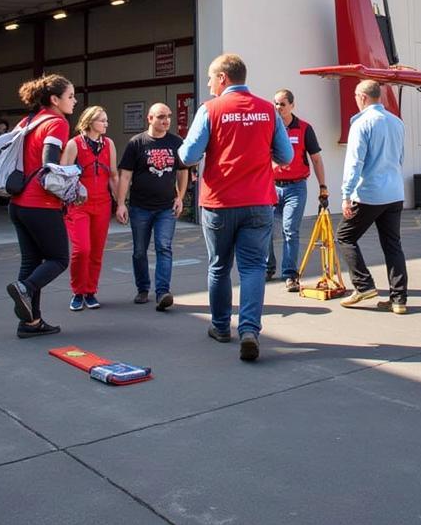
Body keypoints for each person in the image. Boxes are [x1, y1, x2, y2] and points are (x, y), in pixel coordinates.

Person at [179, 53, 293, 361]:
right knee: (254, 267)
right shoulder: (268, 110)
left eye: (209, 78)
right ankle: (249, 330)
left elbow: (188, 156)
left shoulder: (210, 110)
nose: (207, 83)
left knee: (219, 266)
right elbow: (286, 157)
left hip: (220, 202)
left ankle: (219, 326)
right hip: (258, 201)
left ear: (222, 79)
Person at [4, 74, 76, 339]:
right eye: (70, 96)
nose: (74, 101)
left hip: (18, 202)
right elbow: (50, 165)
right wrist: (71, 187)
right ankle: (26, 288)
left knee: (31, 261)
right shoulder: (57, 122)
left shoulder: (28, 121)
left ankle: (30, 322)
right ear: (55, 99)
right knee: (58, 259)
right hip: (41, 203)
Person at [336, 80, 409, 315]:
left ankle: (363, 284)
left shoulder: (361, 123)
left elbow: (354, 162)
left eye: (356, 96)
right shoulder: (397, 122)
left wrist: (346, 195)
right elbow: (400, 158)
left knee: (345, 236)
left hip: (369, 193)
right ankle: (398, 299)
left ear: (362, 97)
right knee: (392, 245)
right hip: (394, 192)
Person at [116, 102, 189, 311]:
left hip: (166, 207)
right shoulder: (136, 144)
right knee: (139, 251)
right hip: (140, 208)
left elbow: (183, 171)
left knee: (164, 247)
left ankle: (162, 292)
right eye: (160, 117)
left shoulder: (176, 142)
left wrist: (180, 197)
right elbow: (126, 175)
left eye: (168, 116)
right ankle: (142, 288)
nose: (166, 121)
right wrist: (121, 203)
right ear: (149, 119)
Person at [266, 88, 328, 290]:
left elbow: (316, 160)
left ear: (292, 105)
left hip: (296, 187)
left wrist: (323, 187)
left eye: (282, 104)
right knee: (265, 229)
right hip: (272, 187)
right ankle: (268, 267)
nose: (278, 107)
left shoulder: (304, 128)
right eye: (275, 103)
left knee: (290, 230)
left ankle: (290, 274)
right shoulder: (269, 128)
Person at [62, 105, 118, 311]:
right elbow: (62, 174)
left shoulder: (108, 144)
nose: (106, 124)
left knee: (96, 251)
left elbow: (113, 175)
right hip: (79, 205)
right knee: (81, 249)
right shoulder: (74, 144)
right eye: (102, 120)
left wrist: (120, 203)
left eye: (106, 120)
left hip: (102, 203)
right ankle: (78, 291)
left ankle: (90, 291)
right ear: (89, 122)